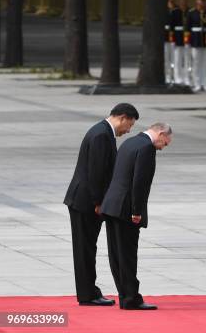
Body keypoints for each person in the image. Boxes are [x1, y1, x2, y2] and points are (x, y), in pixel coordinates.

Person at [64, 103, 139, 306]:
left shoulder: (103, 132)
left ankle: (89, 291)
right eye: (129, 125)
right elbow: (96, 172)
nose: (129, 130)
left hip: (85, 199)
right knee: (85, 248)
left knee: (87, 247)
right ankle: (88, 294)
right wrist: (99, 202)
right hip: (85, 201)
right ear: (122, 117)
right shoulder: (101, 135)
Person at [101, 123, 173, 311]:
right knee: (127, 255)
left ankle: (125, 295)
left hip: (112, 205)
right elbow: (140, 183)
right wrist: (137, 211)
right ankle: (131, 298)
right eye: (165, 143)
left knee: (116, 254)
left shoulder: (129, 142)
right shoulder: (146, 148)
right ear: (161, 133)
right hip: (126, 209)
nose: (163, 147)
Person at [187, 0, 206, 92]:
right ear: (196, 1)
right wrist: (188, 41)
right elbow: (188, 28)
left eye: (203, 0)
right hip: (195, 40)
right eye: (200, 0)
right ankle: (197, 83)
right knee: (196, 63)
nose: (202, 2)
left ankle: (205, 83)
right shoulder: (192, 13)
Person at [169, 0, 191, 85]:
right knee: (177, 59)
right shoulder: (175, 12)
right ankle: (178, 77)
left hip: (188, 38)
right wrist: (172, 38)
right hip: (177, 37)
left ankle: (187, 78)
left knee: (188, 60)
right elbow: (171, 27)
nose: (183, 1)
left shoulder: (190, 11)